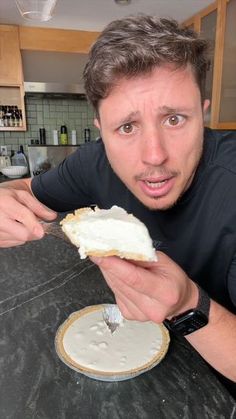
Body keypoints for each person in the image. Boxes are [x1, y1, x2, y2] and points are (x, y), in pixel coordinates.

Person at [0, 16, 235, 396]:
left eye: (174, 119)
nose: (154, 156)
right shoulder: (93, 162)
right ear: (101, 130)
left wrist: (189, 304)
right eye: (127, 127)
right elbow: (24, 188)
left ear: (203, 112)